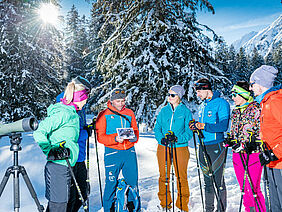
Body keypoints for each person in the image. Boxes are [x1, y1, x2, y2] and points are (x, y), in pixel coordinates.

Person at [33, 78, 90, 212]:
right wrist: (51, 151)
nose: (85, 103)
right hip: (58, 167)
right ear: (79, 98)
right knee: (58, 207)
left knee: (68, 203)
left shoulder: (72, 114)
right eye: (85, 99)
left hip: (69, 165)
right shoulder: (63, 113)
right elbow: (39, 132)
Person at [96, 88, 140, 212]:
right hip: (112, 153)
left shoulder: (129, 112)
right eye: (118, 101)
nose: (120, 103)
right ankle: (108, 209)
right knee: (111, 183)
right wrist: (115, 138)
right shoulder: (104, 114)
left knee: (132, 182)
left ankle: (134, 208)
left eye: (122, 100)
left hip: (129, 152)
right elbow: (100, 137)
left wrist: (134, 138)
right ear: (111, 100)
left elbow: (135, 129)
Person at [189, 78, 230, 212]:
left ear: (207, 89)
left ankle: (221, 210)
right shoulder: (203, 105)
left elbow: (223, 126)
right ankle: (208, 209)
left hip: (217, 145)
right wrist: (195, 126)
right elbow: (202, 125)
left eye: (199, 91)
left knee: (218, 181)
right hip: (202, 146)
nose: (198, 94)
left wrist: (203, 126)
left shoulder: (221, 103)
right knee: (207, 182)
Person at [55, 76, 91, 212]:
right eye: (86, 92)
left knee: (83, 194)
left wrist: (87, 128)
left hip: (80, 156)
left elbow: (80, 126)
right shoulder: (64, 106)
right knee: (68, 197)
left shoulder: (81, 105)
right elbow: (69, 135)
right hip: (68, 158)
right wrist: (85, 133)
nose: (87, 97)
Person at [154, 85, 193, 212]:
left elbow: (189, 132)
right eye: (169, 94)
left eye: (172, 95)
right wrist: (162, 139)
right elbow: (157, 129)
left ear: (179, 97)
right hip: (163, 148)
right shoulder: (163, 111)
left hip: (180, 148)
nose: (169, 97)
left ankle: (182, 205)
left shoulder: (186, 112)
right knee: (163, 176)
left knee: (181, 176)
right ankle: (165, 204)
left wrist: (177, 139)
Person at [229, 81, 266, 212]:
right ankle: (249, 209)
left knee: (254, 188)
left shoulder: (256, 108)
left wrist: (254, 142)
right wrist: (231, 140)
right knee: (244, 188)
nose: (232, 97)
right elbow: (234, 131)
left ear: (243, 94)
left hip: (253, 153)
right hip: (237, 154)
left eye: (235, 94)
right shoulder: (235, 111)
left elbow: (262, 130)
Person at [249, 65, 282, 211]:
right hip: (271, 161)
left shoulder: (275, 101)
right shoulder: (266, 102)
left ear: (261, 84)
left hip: (279, 163)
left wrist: (275, 153)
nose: (250, 88)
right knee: (272, 205)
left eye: (252, 84)